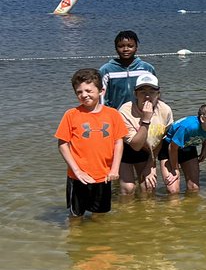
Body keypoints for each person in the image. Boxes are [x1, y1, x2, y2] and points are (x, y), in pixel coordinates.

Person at [56, 68, 126, 217]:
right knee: (75, 217)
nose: (84, 95)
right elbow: (62, 144)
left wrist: (115, 169)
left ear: (101, 90)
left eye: (88, 90)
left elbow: (118, 142)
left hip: (104, 175)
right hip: (78, 177)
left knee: (100, 217)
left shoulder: (113, 114)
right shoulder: (71, 115)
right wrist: (77, 170)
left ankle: (98, 241)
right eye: (79, 92)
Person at [117, 72, 173, 194]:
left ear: (158, 94)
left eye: (152, 91)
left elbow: (161, 140)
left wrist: (151, 164)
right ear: (135, 94)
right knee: (128, 189)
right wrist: (146, 120)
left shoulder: (165, 110)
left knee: (148, 188)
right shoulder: (125, 111)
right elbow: (135, 146)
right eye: (142, 91)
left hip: (149, 150)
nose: (147, 96)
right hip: (127, 148)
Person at [161, 102, 206, 193]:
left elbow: (205, 133)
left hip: (188, 147)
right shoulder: (188, 127)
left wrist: (204, 149)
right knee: (173, 191)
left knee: (194, 188)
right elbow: (172, 147)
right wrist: (175, 169)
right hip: (169, 148)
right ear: (202, 119)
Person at [99, 30, 156, 110]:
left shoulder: (147, 69)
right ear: (116, 48)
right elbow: (101, 96)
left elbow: (154, 93)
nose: (126, 49)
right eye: (121, 46)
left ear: (136, 47)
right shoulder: (106, 70)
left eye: (130, 46)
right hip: (116, 115)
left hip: (141, 113)